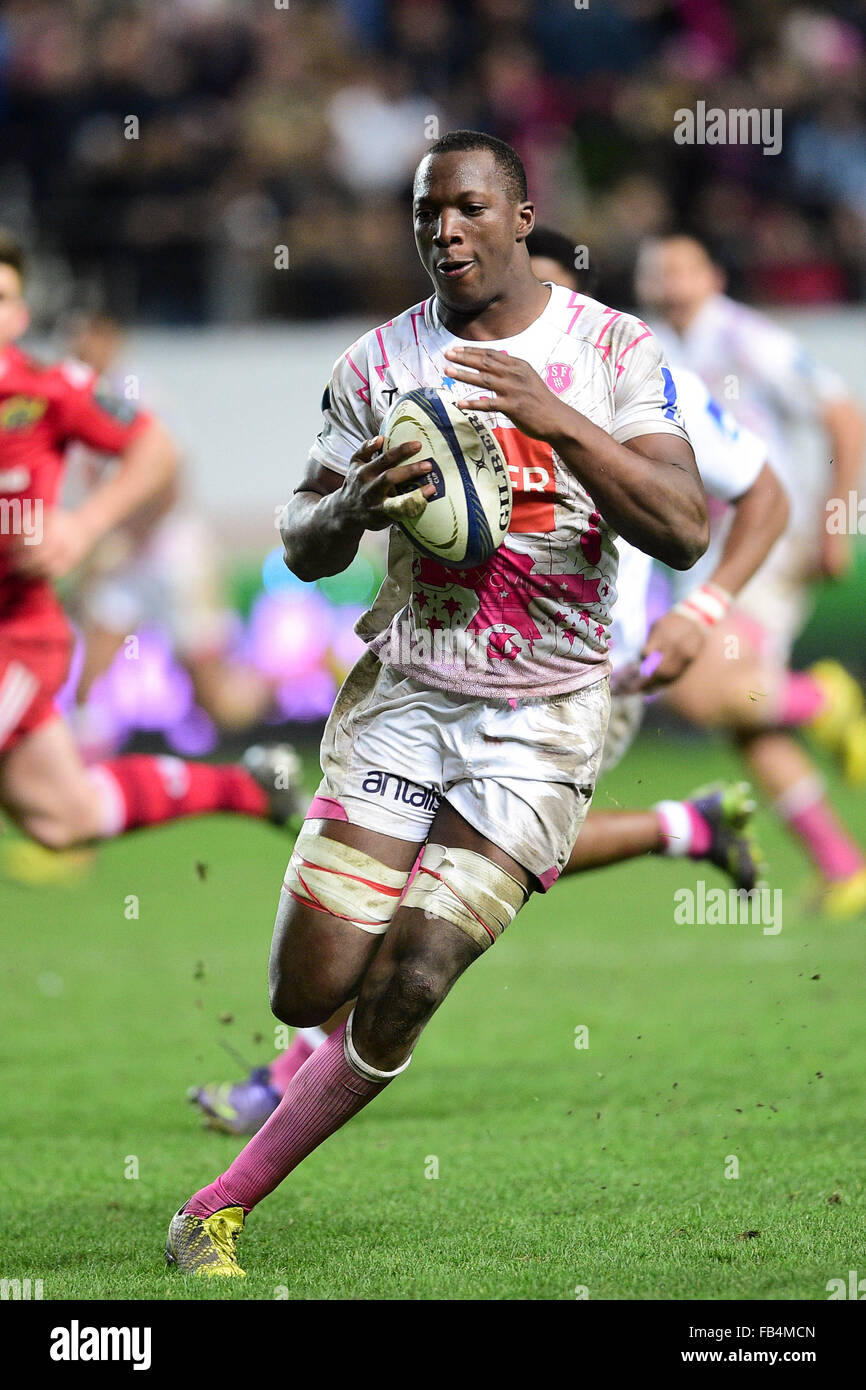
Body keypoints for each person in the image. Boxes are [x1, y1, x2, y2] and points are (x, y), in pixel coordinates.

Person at [165, 129, 709, 1275]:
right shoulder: (376, 365)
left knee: (413, 976)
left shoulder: (610, 349)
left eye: (467, 209)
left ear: (520, 217)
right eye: (426, 215)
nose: (444, 231)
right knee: (307, 983)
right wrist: (349, 503)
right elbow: (302, 541)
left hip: (544, 716)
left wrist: (560, 423)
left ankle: (215, 1207)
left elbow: (681, 524)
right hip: (408, 693)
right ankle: (338, 965)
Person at [189, 226, 792, 1140]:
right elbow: (314, 520)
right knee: (430, 868)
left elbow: (760, 497)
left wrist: (700, 615)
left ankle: (283, 1085)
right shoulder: (416, 366)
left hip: (588, 671)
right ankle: (688, 824)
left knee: (459, 877)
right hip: (440, 671)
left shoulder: (627, 365)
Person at [0, 231, 298, 859]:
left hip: (167, 556)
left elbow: (164, 468)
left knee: (217, 695)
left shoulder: (86, 390)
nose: (85, 341)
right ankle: (247, 784)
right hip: (119, 564)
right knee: (63, 814)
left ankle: (299, 678)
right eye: (77, 331)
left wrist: (91, 532)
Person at [633, 235, 866, 916]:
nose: (668, 282)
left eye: (681, 268)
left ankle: (826, 701)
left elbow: (844, 416)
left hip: (764, 538)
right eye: (656, 272)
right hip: (710, 552)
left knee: (698, 692)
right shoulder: (654, 348)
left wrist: (835, 518)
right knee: (745, 717)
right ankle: (844, 866)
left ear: (713, 275)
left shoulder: (742, 338)